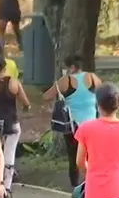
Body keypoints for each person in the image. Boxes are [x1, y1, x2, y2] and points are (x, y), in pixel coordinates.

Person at [43, 55, 101, 187]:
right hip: (93, 125)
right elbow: (104, 92)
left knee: (73, 157)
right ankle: (92, 184)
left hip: (73, 126)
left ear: (72, 67)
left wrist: (58, 90)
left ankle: (75, 186)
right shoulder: (92, 77)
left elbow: (46, 96)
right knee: (91, 156)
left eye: (66, 68)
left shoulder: (66, 81)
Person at [0, 56, 31, 198]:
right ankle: (7, 188)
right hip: (11, 121)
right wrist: (26, 108)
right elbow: (25, 102)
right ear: (5, 67)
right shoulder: (14, 83)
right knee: (9, 153)